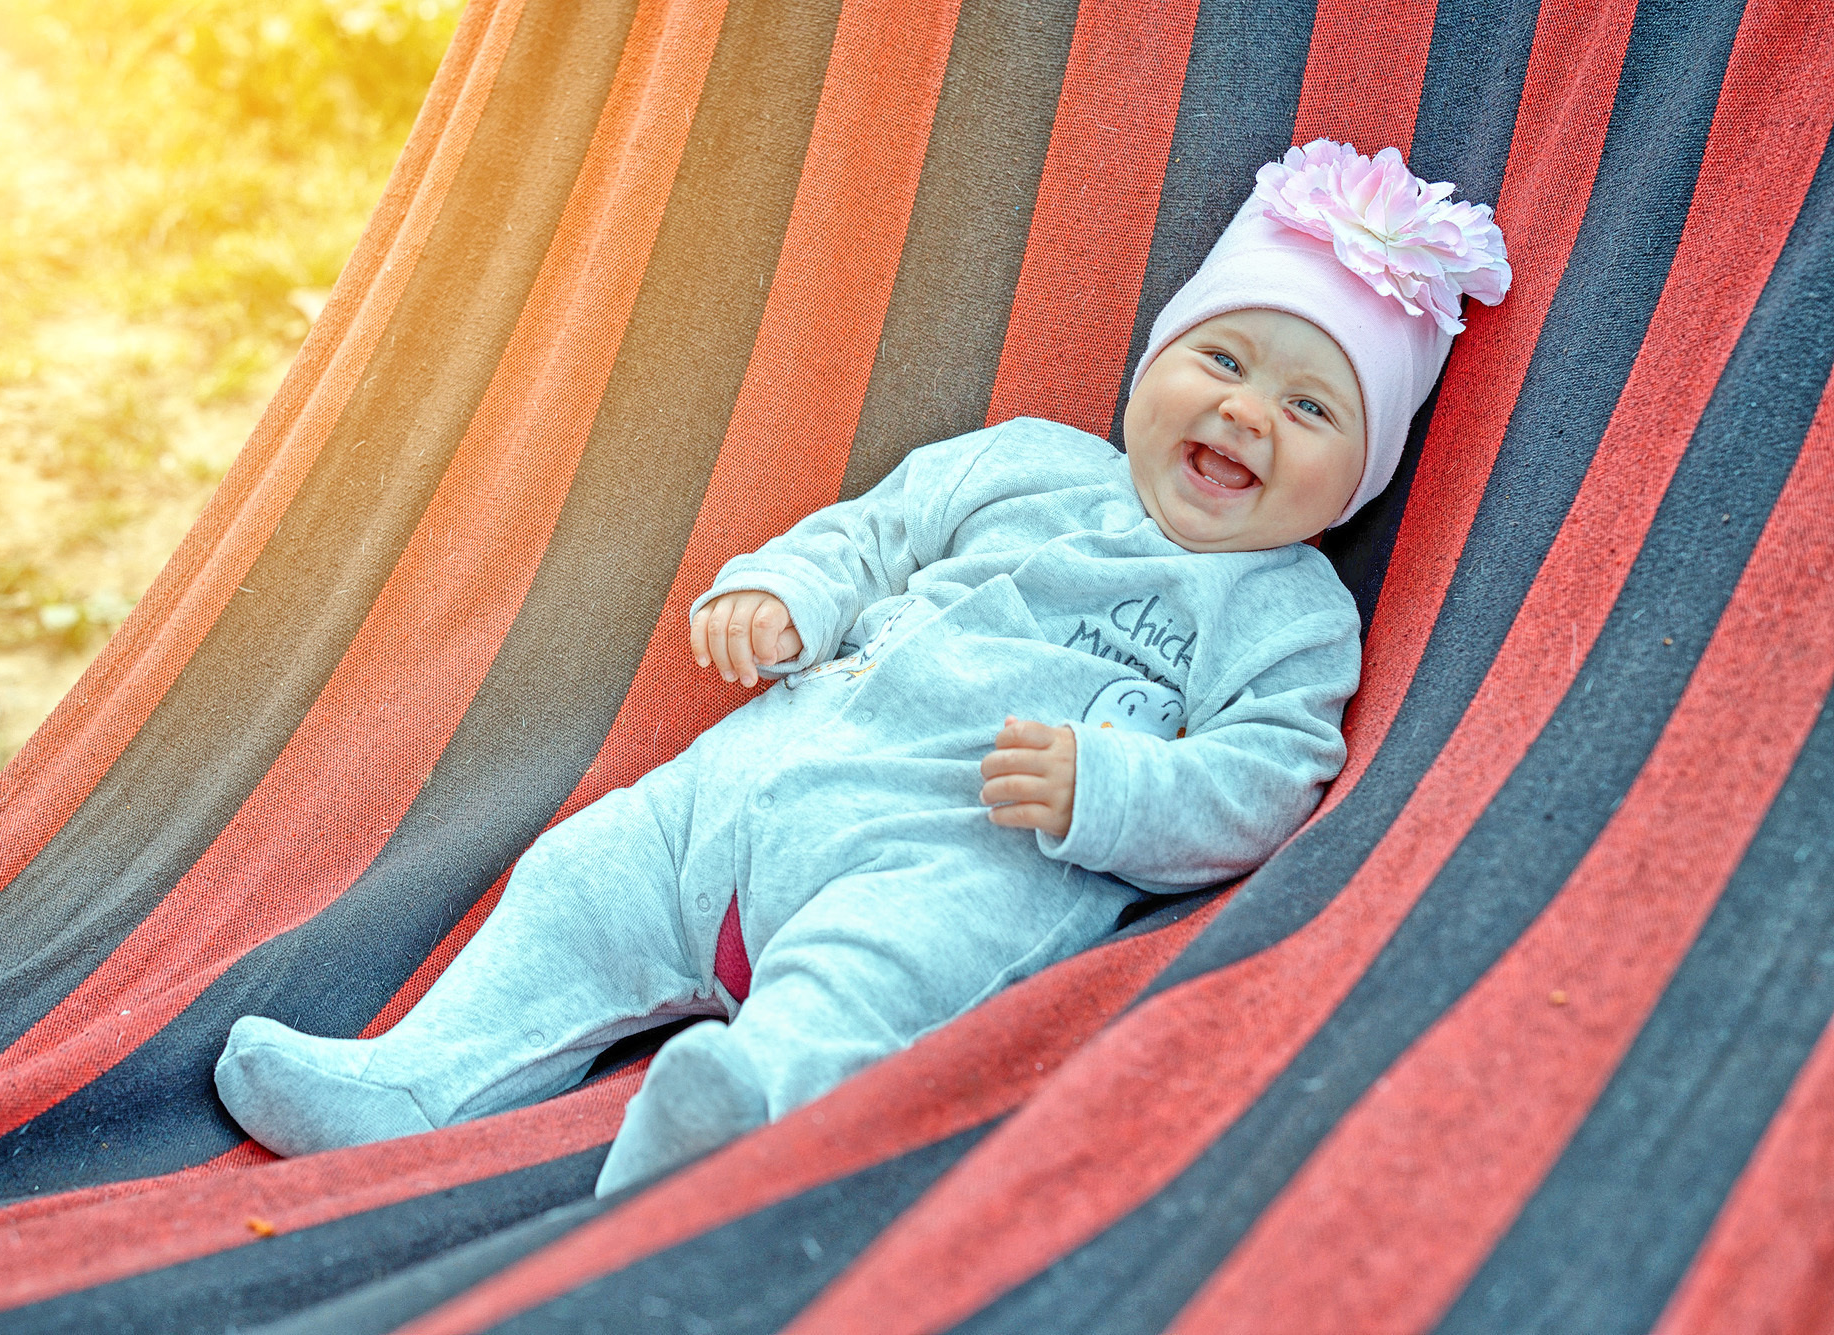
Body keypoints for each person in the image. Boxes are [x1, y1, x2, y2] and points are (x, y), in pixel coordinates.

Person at [213, 140, 1509, 1195]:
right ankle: (422, 1078)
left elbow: (1275, 773)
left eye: (1310, 406)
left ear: (1365, 473)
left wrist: (1106, 791)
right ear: (1157, 358)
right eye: (1221, 360)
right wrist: (786, 593)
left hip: (951, 858)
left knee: (883, 974)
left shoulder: (1289, 615)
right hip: (750, 784)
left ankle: (741, 1116)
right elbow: (872, 533)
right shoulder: (1022, 459)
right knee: (586, 872)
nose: (1242, 412)